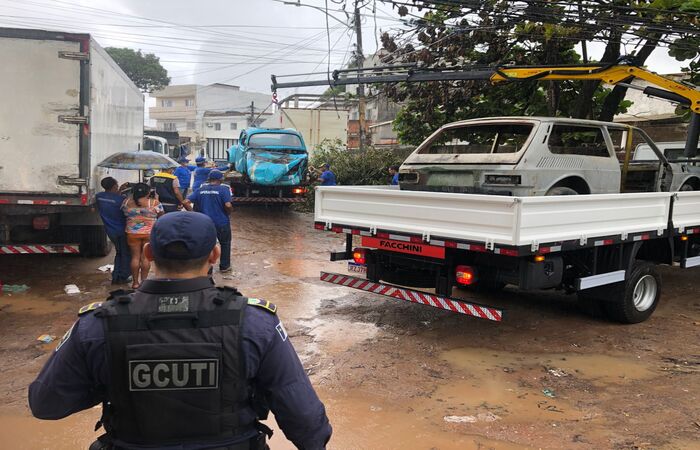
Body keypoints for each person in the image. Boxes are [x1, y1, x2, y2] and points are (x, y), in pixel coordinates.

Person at [28, 212, 332, 450]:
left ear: (148, 254)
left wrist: (111, 380)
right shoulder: (255, 322)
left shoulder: (97, 324)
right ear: (214, 255)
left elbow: (46, 403)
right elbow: (305, 418)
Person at [185, 169, 233, 273]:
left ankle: (207, 268)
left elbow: (186, 201)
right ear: (220, 179)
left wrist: (193, 213)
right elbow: (228, 205)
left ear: (209, 179)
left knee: (206, 245)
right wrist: (229, 212)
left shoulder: (200, 190)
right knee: (225, 244)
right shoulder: (224, 190)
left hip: (204, 223)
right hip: (222, 222)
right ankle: (224, 267)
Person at [122, 183, 164, 289]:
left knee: (135, 257)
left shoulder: (126, 202)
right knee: (145, 258)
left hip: (132, 233)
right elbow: (162, 216)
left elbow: (123, 213)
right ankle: (144, 283)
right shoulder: (154, 202)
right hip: (149, 233)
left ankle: (135, 283)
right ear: (148, 192)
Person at [95, 177, 131, 284]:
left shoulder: (99, 197)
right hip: (122, 230)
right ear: (114, 186)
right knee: (125, 253)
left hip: (110, 230)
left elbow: (111, 199)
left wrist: (119, 190)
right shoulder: (122, 200)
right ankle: (123, 276)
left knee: (119, 252)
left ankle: (116, 276)